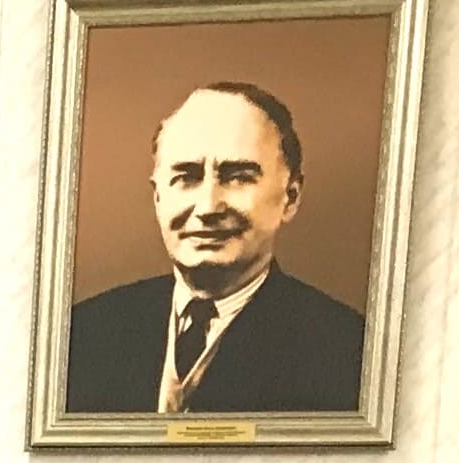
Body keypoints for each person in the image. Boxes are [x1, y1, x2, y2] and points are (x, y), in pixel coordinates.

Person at [62, 82, 370, 416]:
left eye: (238, 177)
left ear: (290, 197)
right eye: (186, 177)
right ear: (158, 197)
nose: (208, 207)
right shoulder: (83, 334)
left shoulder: (348, 352)